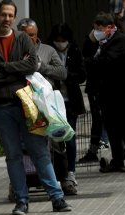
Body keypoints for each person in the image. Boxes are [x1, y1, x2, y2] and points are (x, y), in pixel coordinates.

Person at [0, 0, 72, 215]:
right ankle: (21, 200)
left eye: (11, 15)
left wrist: (3, 67)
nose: (7, 19)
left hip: (28, 106)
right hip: (1, 107)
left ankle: (56, 197)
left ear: (14, 17)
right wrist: (15, 70)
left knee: (40, 152)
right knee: (12, 155)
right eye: (4, 15)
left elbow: (32, 65)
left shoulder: (22, 39)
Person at [17, 18, 74, 195]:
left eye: (32, 35)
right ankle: (23, 184)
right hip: (23, 102)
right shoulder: (13, 51)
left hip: (46, 103)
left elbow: (62, 72)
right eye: (25, 35)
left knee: (57, 142)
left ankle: (64, 179)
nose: (29, 39)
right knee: (23, 145)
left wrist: (41, 67)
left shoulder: (48, 50)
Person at [83, 12, 125, 173]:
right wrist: (91, 39)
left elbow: (108, 63)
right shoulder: (100, 41)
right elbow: (86, 53)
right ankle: (117, 160)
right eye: (95, 28)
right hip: (105, 92)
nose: (96, 31)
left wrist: (90, 63)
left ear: (110, 27)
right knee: (111, 127)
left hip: (122, 91)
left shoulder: (121, 40)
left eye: (99, 28)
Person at [48, 23, 87, 195]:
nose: (61, 43)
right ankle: (59, 173)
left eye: (63, 40)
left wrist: (66, 75)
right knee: (56, 139)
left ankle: (71, 171)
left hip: (70, 99)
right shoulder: (49, 51)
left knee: (70, 137)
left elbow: (81, 74)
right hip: (54, 100)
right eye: (57, 40)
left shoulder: (74, 51)